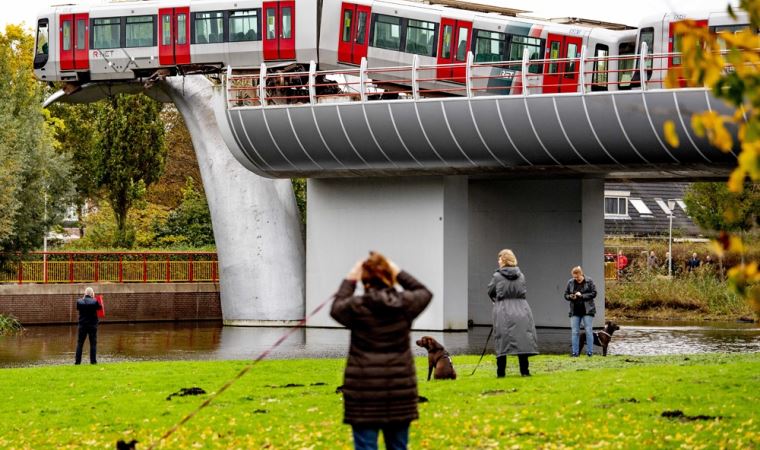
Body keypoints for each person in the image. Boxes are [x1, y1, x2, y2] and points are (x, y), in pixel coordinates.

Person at [330, 252, 432, 450]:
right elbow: (424, 292)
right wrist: (398, 271)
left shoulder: (357, 306)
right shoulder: (404, 304)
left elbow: (336, 308)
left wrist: (350, 278)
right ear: (390, 276)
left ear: (364, 279)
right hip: (399, 391)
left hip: (363, 394)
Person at [487, 249, 538, 377]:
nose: (498, 261)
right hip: (522, 309)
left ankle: (501, 373)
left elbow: (490, 291)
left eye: (499, 258)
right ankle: (525, 371)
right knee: (522, 339)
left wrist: (497, 299)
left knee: (502, 339)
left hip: (503, 310)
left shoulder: (497, 276)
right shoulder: (521, 275)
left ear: (504, 260)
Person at [563, 266, 597, 357]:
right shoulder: (570, 282)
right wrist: (570, 296)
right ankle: (575, 353)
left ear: (581, 274)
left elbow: (594, 293)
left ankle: (589, 352)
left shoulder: (589, 281)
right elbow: (565, 294)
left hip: (588, 310)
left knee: (588, 331)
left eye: (577, 277)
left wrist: (582, 295)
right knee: (575, 332)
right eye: (574, 277)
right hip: (575, 310)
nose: (576, 279)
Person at [75, 287, 102, 365]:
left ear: (85, 293)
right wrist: (95, 298)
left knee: (80, 343)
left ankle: (77, 362)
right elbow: (99, 307)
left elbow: (78, 308)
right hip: (92, 325)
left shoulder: (79, 301)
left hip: (82, 325)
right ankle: (93, 361)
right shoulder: (95, 301)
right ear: (92, 293)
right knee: (93, 343)